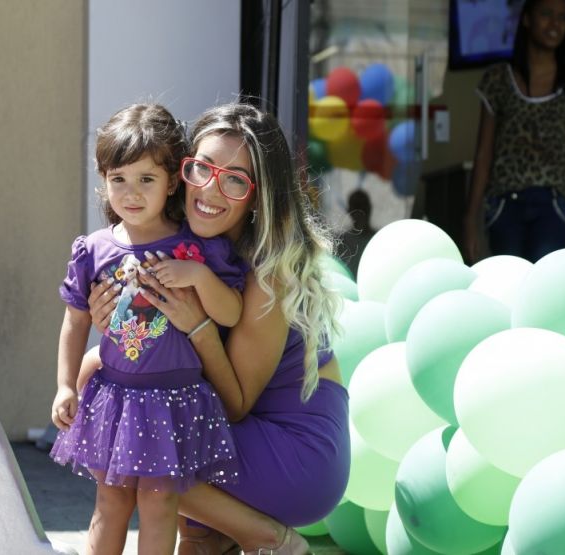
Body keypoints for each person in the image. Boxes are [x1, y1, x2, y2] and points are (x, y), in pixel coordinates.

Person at [86, 103, 349, 554]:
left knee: (137, 436)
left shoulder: (269, 275)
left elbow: (237, 405)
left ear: (259, 196)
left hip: (295, 456)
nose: (211, 189)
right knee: (105, 382)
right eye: (201, 168)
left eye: (235, 179)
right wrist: (107, 319)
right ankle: (208, 535)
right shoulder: (182, 246)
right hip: (243, 432)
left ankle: (261, 535)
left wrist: (200, 327)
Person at [49, 103, 249, 555]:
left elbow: (232, 313)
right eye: (119, 179)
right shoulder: (95, 249)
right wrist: (65, 386)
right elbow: (75, 318)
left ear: (172, 182)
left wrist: (197, 276)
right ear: (103, 180)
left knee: (160, 504)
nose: (131, 193)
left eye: (146, 180)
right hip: (115, 398)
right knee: (110, 501)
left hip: (175, 401)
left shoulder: (195, 247)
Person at [464, 0, 565, 264]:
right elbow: (483, 154)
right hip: (504, 205)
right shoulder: (498, 79)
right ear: (526, 19)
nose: (554, 24)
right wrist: (470, 217)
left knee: (544, 288)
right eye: (546, 14)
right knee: (509, 285)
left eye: (563, 18)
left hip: (555, 204)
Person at [339, 189, 376, 279]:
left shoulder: (379, 240)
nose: (361, 212)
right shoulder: (342, 243)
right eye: (357, 207)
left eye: (363, 207)